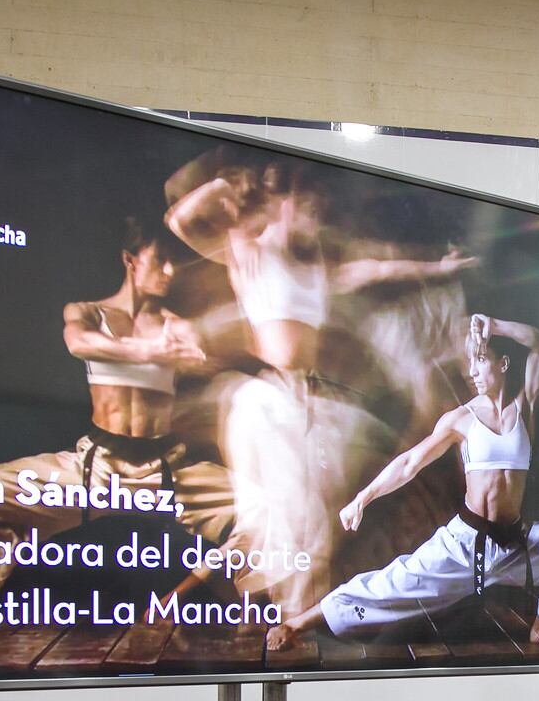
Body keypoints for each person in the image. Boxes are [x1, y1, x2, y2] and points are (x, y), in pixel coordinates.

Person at [163, 152, 477, 613]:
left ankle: (287, 623)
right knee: (290, 524)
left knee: (312, 526)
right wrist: (231, 187)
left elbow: (379, 267)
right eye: (306, 208)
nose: (315, 219)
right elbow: (182, 221)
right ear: (280, 205)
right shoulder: (247, 248)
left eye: (319, 211)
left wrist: (437, 268)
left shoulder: (319, 270)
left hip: (315, 404)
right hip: (269, 403)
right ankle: (281, 623)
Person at [0, 218, 234, 595]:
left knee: (274, 510)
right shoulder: (88, 312)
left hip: (167, 470)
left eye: (175, 263)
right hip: (97, 466)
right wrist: (148, 351)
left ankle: (252, 619)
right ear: (130, 260)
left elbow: (198, 354)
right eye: (160, 260)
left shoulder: (177, 326)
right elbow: (78, 342)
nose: (170, 272)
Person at [265, 313, 539, 652]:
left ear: (503, 363)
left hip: (514, 541)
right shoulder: (461, 419)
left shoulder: (525, 407)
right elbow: (408, 463)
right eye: (469, 364)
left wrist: (497, 326)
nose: (473, 372)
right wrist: (363, 497)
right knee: (388, 584)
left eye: (480, 361)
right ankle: (296, 622)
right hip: (465, 544)